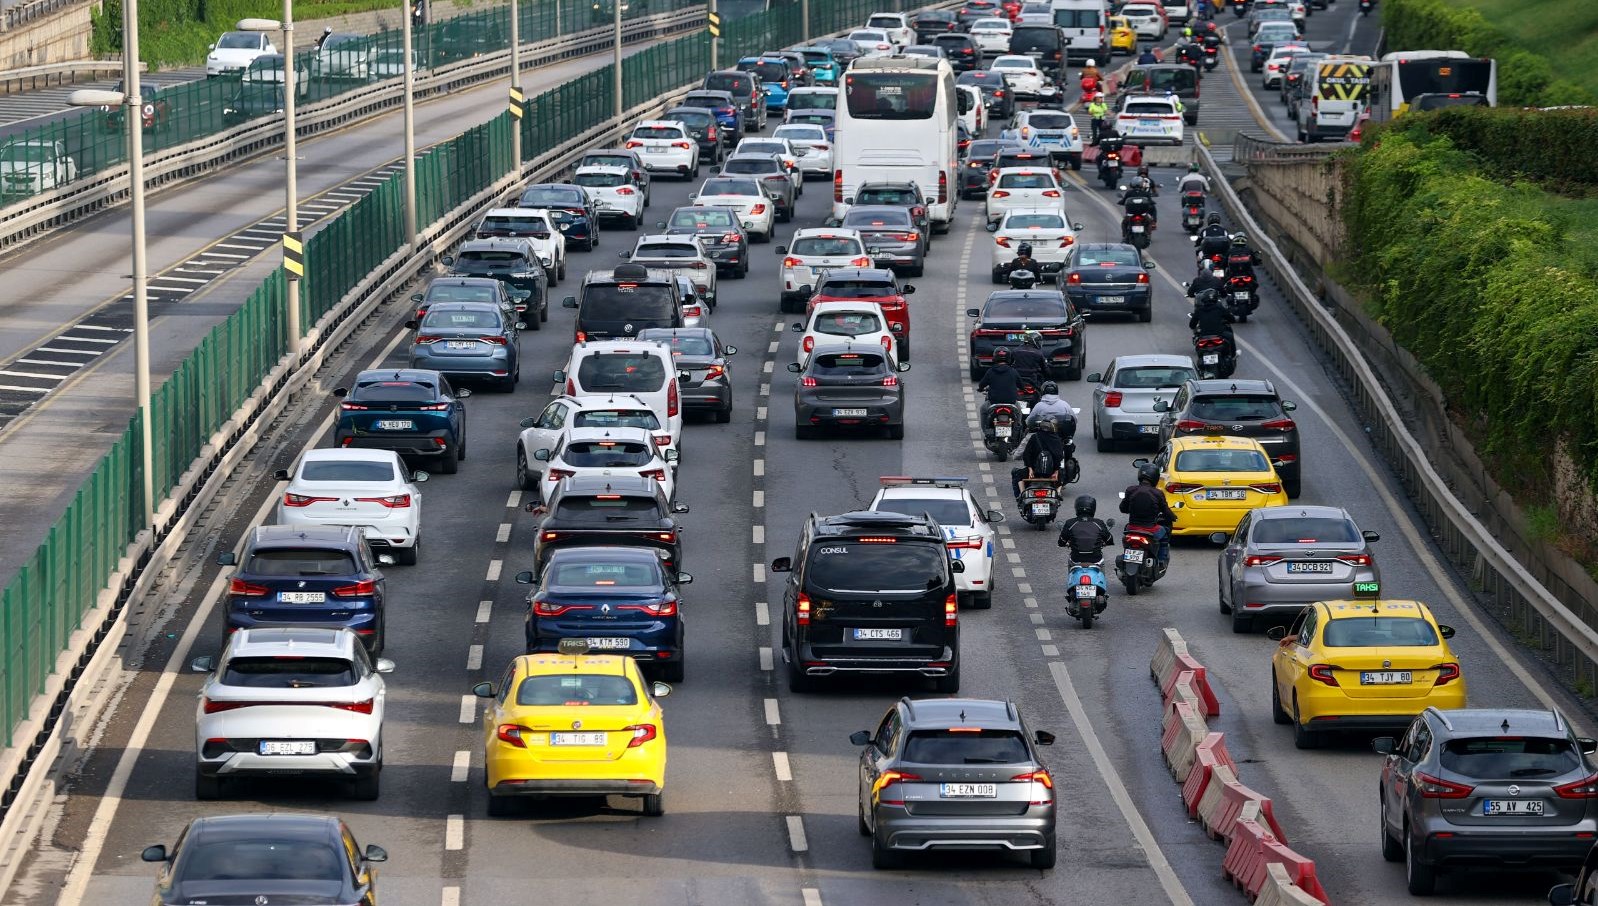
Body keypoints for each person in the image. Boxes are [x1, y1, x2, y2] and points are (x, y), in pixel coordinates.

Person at [1120, 462, 1175, 564]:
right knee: (1165, 533)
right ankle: (1161, 561)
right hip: (1151, 530)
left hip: (1132, 528)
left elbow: (1123, 508)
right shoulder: (1158, 493)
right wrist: (1173, 517)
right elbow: (1165, 510)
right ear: (1155, 477)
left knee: (1126, 533)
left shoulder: (1131, 490)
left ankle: (1126, 555)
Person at [1012, 416, 1065, 498]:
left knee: (1017, 474)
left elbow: (1026, 454)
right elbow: (1059, 457)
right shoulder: (1056, 439)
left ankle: (1022, 494)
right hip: (1051, 474)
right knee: (1063, 475)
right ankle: (1058, 493)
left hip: (1034, 473)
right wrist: (1056, 471)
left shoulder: (1034, 437)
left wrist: (1030, 469)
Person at [977, 347, 1022, 436]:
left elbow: (982, 384)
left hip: (994, 402)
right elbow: (1021, 385)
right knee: (1019, 411)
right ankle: (1017, 428)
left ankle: (986, 430)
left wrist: (980, 389)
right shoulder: (1013, 371)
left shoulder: (990, 371)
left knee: (983, 409)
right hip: (1011, 403)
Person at [1057, 495, 1115, 564]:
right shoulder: (1099, 523)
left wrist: (1064, 543)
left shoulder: (1070, 523)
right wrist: (1106, 543)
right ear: (1093, 508)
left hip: (1076, 559)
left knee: (1070, 563)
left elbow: (1061, 541)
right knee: (1101, 564)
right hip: (1095, 559)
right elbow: (1109, 539)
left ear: (1077, 507)